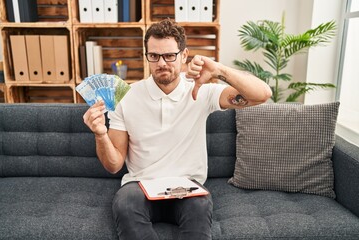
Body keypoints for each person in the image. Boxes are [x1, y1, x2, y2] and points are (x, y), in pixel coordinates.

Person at [83, 19, 272, 240]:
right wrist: (100, 134)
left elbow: (262, 95)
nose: (162, 63)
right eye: (154, 56)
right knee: (125, 203)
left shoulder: (201, 91)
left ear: (184, 55)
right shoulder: (125, 96)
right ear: (147, 57)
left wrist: (219, 70)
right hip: (140, 186)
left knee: (200, 206)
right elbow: (114, 165)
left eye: (170, 55)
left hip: (187, 188)